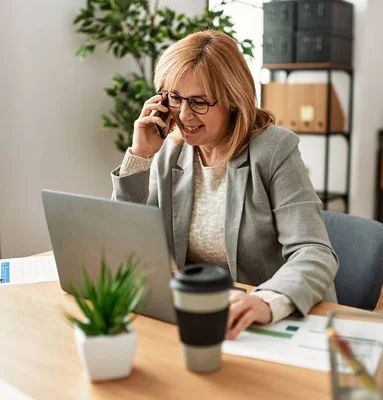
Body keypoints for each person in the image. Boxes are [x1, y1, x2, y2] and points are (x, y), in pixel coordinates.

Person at [111, 30, 338, 339]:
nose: (184, 114)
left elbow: (314, 251)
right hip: (201, 312)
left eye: (200, 102)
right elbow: (128, 242)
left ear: (232, 99)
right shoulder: (170, 152)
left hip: (270, 319)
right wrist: (139, 156)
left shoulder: (274, 151)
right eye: (175, 98)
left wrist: (264, 301)